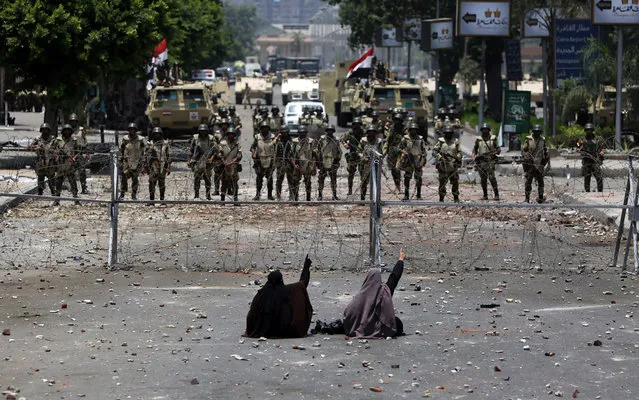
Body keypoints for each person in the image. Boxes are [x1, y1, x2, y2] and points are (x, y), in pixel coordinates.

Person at [245, 256, 313, 339]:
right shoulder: (286, 291)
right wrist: (306, 268)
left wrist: (253, 330)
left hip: (261, 330)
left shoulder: (261, 294)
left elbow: (251, 316)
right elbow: (302, 283)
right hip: (282, 331)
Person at [343, 248, 406, 338]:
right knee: (397, 323)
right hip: (376, 328)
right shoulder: (383, 293)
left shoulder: (360, 295)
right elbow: (394, 277)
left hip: (357, 328)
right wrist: (400, 259)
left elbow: (348, 314)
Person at [398, 122, 427, 201]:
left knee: (418, 178)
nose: (413, 131)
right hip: (408, 161)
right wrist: (404, 153)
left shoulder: (420, 139)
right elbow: (399, 148)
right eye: (412, 130)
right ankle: (406, 195)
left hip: (417, 160)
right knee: (407, 178)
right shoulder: (405, 138)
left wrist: (422, 161)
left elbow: (424, 151)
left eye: (415, 130)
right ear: (409, 130)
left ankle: (418, 194)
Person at [433, 125, 461, 202]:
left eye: (450, 133)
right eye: (447, 133)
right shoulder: (441, 141)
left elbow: (459, 152)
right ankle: (441, 198)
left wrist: (457, 157)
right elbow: (435, 151)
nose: (448, 134)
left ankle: (456, 197)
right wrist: (440, 158)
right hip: (443, 165)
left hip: (453, 165)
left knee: (455, 182)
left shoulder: (456, 141)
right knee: (442, 183)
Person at [472, 123, 501, 201]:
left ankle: (496, 194)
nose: (485, 131)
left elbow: (498, 150)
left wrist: (492, 154)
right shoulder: (479, 139)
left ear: (489, 130)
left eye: (486, 130)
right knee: (483, 179)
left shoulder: (493, 138)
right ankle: (485, 195)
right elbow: (474, 149)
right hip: (481, 161)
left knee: (492, 178)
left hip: (490, 161)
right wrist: (474, 157)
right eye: (483, 130)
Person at [187, 124, 216, 200]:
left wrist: (211, 159)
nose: (203, 133)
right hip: (197, 161)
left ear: (207, 131)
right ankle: (196, 195)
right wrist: (189, 160)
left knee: (207, 179)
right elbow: (191, 150)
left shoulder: (211, 138)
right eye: (201, 131)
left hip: (207, 161)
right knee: (197, 178)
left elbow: (215, 151)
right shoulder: (196, 138)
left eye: (204, 131)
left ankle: (208, 195)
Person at [522, 124, 549, 203]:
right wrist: (525, 156)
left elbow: (545, 151)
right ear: (533, 132)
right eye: (535, 132)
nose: (537, 133)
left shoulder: (542, 140)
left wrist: (545, 161)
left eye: (538, 132)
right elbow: (524, 150)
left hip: (539, 163)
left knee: (540, 181)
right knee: (528, 181)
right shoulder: (528, 139)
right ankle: (527, 198)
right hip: (530, 163)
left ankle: (540, 197)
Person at [119, 123, 146, 200]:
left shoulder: (140, 140)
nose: (132, 131)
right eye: (130, 129)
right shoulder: (125, 139)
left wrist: (143, 163)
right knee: (124, 177)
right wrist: (120, 161)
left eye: (133, 130)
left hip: (137, 161)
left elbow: (143, 151)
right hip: (127, 162)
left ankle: (133, 195)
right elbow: (122, 150)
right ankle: (122, 194)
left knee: (135, 179)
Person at [30, 123, 58, 198]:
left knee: (51, 179)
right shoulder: (38, 139)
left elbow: (58, 150)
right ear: (41, 131)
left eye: (46, 130)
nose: (45, 132)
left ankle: (53, 193)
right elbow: (30, 147)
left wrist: (54, 151)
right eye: (43, 130)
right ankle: (40, 194)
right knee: (40, 178)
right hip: (41, 161)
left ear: (49, 131)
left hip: (50, 162)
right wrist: (36, 147)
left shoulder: (53, 140)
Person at [54, 124, 80, 205]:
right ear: (63, 131)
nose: (67, 132)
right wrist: (57, 154)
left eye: (69, 130)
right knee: (58, 182)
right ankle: (57, 200)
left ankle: (76, 198)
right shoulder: (58, 140)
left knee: (73, 182)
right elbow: (53, 150)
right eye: (65, 130)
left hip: (70, 164)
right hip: (61, 164)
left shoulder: (74, 141)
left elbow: (78, 152)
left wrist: (74, 158)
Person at [145, 127, 172, 204]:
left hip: (163, 166)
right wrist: (145, 166)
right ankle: (152, 200)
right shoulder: (150, 144)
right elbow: (145, 155)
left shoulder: (165, 144)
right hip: (153, 166)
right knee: (152, 183)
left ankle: (162, 200)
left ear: (161, 135)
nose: (157, 135)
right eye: (155, 134)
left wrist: (169, 166)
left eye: (158, 134)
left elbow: (169, 155)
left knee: (162, 183)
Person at [251, 121, 276, 200]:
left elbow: (276, 148)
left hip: (270, 159)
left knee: (269, 178)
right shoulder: (257, 137)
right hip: (259, 160)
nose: (264, 130)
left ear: (268, 129)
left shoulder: (272, 137)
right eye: (263, 128)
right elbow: (252, 147)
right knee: (259, 178)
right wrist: (253, 153)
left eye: (266, 128)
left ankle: (269, 195)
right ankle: (258, 194)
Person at [577, 123, 605, 192]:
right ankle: (587, 191)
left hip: (595, 160)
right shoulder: (582, 139)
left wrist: (602, 152)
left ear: (592, 130)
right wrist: (579, 148)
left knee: (598, 176)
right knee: (587, 177)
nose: (588, 132)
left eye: (589, 130)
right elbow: (577, 145)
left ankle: (600, 191)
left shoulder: (598, 138)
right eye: (587, 130)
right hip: (586, 160)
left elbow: (604, 147)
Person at [358, 124, 383, 200]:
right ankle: (362, 198)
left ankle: (376, 198)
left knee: (376, 182)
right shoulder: (363, 140)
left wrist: (379, 160)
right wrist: (363, 157)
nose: (371, 134)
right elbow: (359, 151)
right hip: (365, 163)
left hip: (375, 163)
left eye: (373, 132)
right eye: (370, 132)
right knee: (364, 182)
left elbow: (381, 152)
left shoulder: (378, 141)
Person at [292, 125, 317, 201]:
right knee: (295, 182)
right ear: (298, 133)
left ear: (306, 133)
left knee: (308, 182)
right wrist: (294, 164)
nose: (302, 134)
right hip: (298, 164)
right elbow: (291, 155)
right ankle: (296, 199)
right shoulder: (295, 141)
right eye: (301, 133)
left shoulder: (311, 142)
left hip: (308, 165)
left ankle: (308, 199)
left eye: (304, 133)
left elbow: (314, 155)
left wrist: (313, 165)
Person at [317, 125, 341, 201]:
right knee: (321, 179)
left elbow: (339, 151)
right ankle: (320, 195)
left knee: (333, 179)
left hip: (332, 161)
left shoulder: (336, 140)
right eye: (328, 130)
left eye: (331, 130)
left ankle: (334, 195)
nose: (329, 132)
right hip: (323, 161)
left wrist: (337, 160)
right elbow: (318, 149)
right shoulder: (322, 139)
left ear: (333, 131)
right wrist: (318, 161)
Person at [218, 127, 242, 202]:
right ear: (227, 135)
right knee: (224, 184)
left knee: (235, 184)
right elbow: (219, 154)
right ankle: (222, 200)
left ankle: (235, 199)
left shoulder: (237, 144)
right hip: (224, 166)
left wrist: (233, 161)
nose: (231, 136)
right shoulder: (222, 144)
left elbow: (239, 155)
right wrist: (223, 161)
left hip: (233, 166)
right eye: (229, 134)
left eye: (232, 134)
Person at [383, 113, 405, 193]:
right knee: (393, 170)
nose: (397, 122)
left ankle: (399, 187)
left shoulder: (404, 129)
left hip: (400, 151)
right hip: (392, 151)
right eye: (395, 120)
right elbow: (388, 141)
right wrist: (385, 151)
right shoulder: (391, 129)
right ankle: (397, 185)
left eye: (398, 120)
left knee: (397, 169)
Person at [342, 117, 364, 195]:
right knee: (351, 173)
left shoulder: (363, 133)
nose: (357, 126)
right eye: (355, 124)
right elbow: (342, 139)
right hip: (352, 154)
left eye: (358, 124)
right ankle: (350, 189)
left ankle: (362, 190)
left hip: (361, 155)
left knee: (362, 173)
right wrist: (345, 145)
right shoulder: (349, 133)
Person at [274, 125, 296, 201]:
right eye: (282, 133)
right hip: (280, 163)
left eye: (285, 132)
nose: (284, 134)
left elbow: (294, 153)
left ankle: (291, 196)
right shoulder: (278, 141)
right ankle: (278, 196)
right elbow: (274, 149)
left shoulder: (291, 141)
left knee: (291, 180)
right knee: (279, 180)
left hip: (289, 163)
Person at [69, 113, 89, 194]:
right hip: (71, 154)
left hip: (80, 153)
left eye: (74, 121)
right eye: (72, 121)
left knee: (82, 171)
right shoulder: (67, 130)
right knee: (70, 172)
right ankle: (73, 188)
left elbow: (85, 141)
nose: (73, 123)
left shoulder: (81, 130)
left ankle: (84, 187)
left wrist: (87, 152)